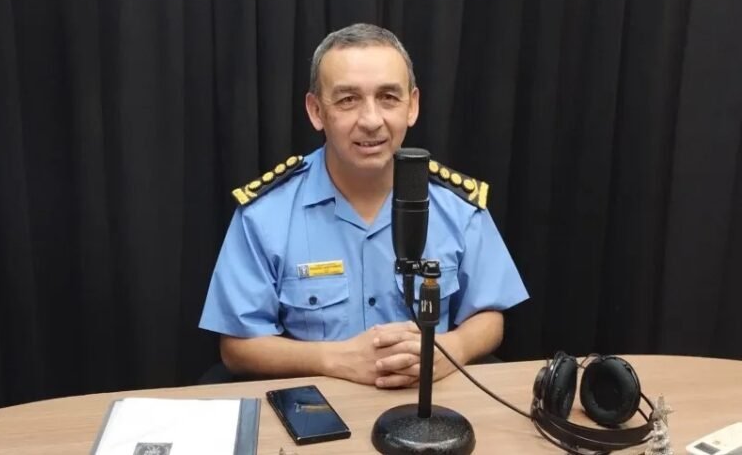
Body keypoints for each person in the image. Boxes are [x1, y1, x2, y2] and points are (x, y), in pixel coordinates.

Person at [199, 23, 528, 389]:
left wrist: (449, 349)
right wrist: (334, 359)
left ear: (412, 106)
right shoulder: (265, 215)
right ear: (316, 111)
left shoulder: (457, 207)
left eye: (388, 97)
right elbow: (237, 346)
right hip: (318, 405)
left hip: (426, 402)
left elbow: (489, 315)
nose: (371, 121)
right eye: (347, 100)